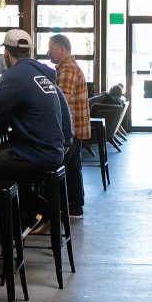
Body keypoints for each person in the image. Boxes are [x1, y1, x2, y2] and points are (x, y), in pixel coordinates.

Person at [0, 29, 72, 231]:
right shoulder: (43, 75)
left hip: (33, 154)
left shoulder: (13, 76)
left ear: (6, 53)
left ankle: (4, 221)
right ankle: (34, 212)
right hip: (54, 151)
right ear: (29, 51)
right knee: (1, 160)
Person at [48, 34, 88, 219]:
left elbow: (62, 101)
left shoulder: (67, 69)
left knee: (58, 169)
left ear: (61, 49)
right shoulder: (71, 66)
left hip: (69, 129)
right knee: (73, 169)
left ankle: (53, 211)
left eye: (51, 48)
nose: (48, 52)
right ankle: (75, 208)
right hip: (77, 127)